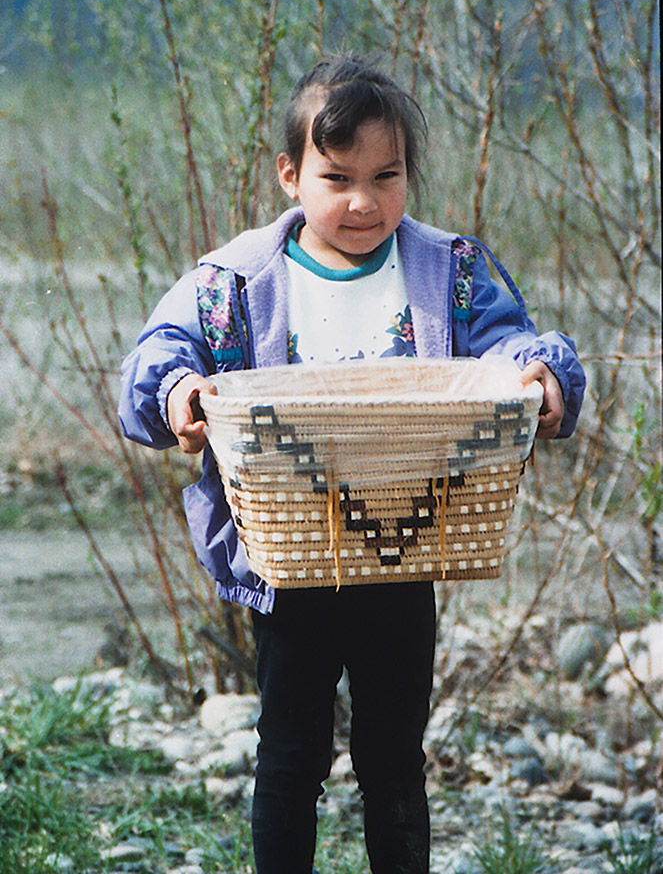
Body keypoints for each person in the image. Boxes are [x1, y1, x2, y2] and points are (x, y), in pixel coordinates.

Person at [119, 55, 585, 873]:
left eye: (386, 176)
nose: (363, 201)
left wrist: (539, 374)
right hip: (287, 556)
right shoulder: (238, 282)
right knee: (290, 752)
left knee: (394, 755)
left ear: (408, 175)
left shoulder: (449, 270)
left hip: (408, 545)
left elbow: (508, 341)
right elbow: (157, 357)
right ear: (289, 175)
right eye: (336, 178)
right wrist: (181, 392)